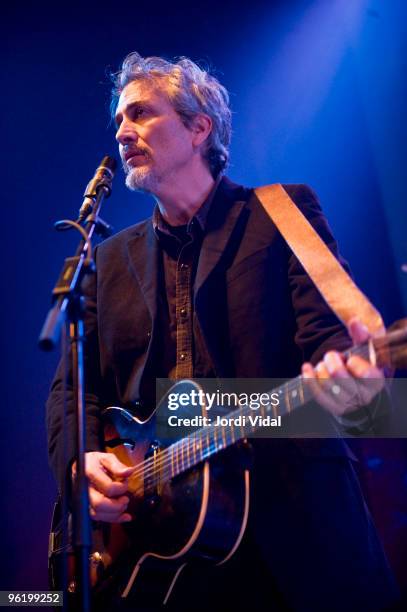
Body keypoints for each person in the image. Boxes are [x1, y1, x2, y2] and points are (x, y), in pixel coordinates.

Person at [46, 52, 399, 611]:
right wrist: (80, 462)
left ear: (198, 127)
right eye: (117, 120)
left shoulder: (283, 213)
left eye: (140, 113)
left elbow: (336, 348)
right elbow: (72, 390)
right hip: (160, 552)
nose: (122, 131)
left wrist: (356, 378)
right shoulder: (106, 260)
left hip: (293, 533)